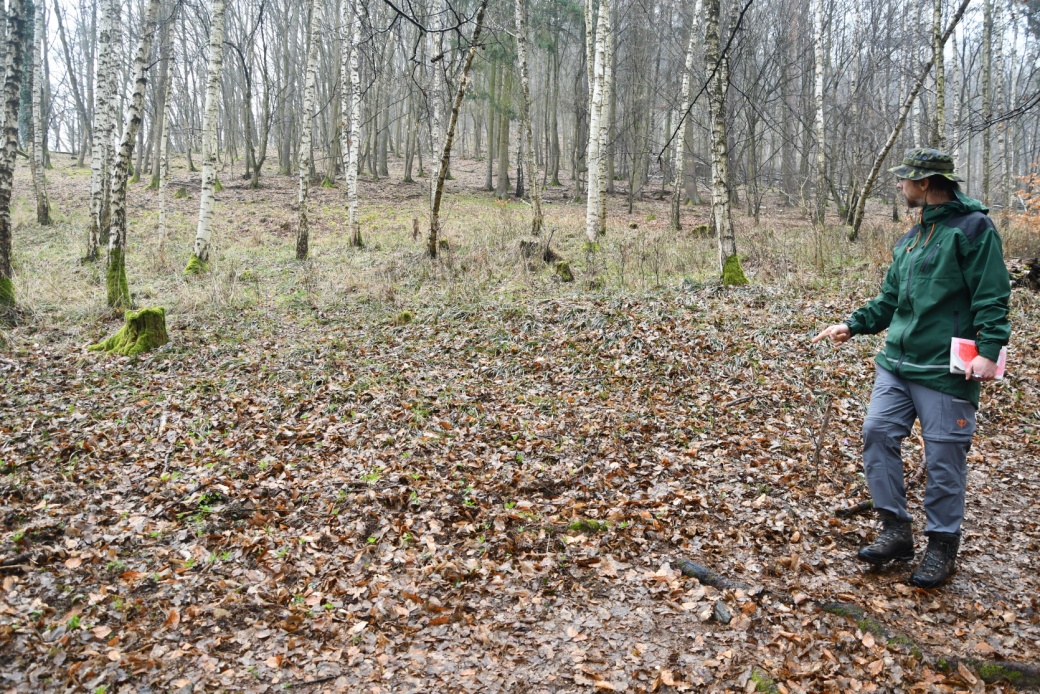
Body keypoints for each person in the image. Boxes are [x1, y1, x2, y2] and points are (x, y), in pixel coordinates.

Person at [812, 148, 1011, 589]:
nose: (900, 186)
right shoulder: (912, 236)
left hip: (945, 370)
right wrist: (852, 324)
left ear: (925, 184)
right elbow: (890, 300)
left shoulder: (974, 229)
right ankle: (895, 530)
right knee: (877, 434)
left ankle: (942, 545)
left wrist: (990, 350)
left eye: (905, 180)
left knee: (943, 457)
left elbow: (992, 296)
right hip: (896, 364)